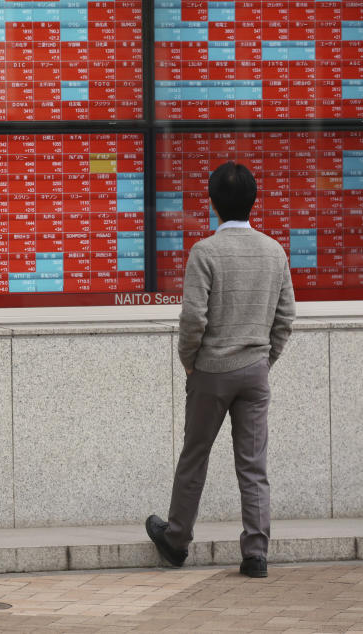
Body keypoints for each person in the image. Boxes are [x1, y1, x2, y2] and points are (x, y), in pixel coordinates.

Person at [146, 161, 296, 579]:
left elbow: (193, 318)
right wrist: (266, 360)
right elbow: (285, 317)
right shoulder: (274, 251)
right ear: (254, 202)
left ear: (212, 203)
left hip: (210, 371)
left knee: (195, 456)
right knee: (253, 464)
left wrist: (190, 362)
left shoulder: (205, 252)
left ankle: (176, 540)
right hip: (254, 371)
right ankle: (255, 553)